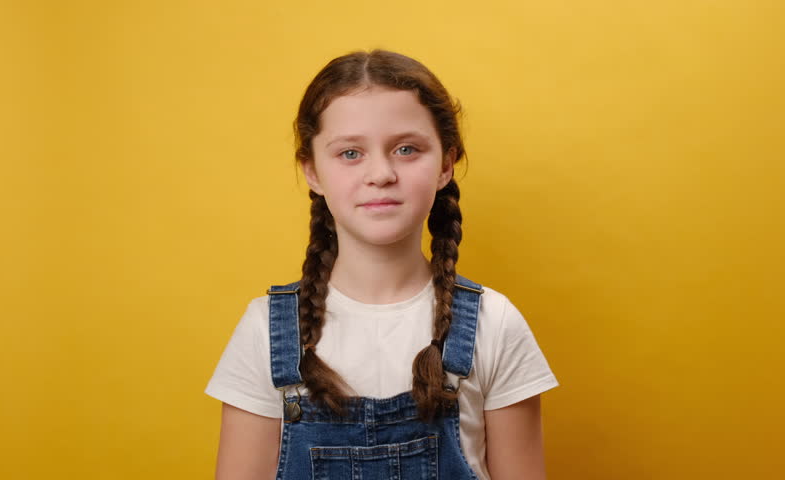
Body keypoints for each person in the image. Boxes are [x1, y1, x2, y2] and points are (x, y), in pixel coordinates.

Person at [205, 49, 559, 480]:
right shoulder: (265, 330)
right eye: (350, 153)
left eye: (406, 149)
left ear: (446, 164)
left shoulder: (494, 323)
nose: (381, 173)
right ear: (312, 171)